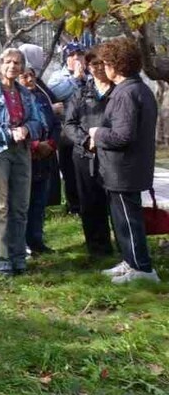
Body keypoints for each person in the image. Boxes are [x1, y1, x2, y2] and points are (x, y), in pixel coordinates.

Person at [89, 38, 160, 285]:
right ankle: (130, 261)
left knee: (127, 220)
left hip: (123, 168)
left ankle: (142, 268)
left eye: (106, 62)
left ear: (115, 64)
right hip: (129, 167)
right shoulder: (139, 88)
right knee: (125, 218)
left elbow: (122, 136)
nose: (103, 67)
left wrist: (96, 133)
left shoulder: (125, 93)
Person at [0, 48, 46, 277]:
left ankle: (18, 258)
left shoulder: (26, 94)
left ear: (22, 67)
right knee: (1, 207)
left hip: (22, 153)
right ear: (0, 65)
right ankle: (1, 259)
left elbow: (38, 122)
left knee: (20, 207)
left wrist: (26, 129)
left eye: (17, 63)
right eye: (8, 62)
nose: (12, 66)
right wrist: (7, 133)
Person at [62, 52, 114, 258]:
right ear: (87, 66)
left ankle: (126, 246)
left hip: (113, 153)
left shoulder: (119, 92)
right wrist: (85, 141)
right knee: (90, 202)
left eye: (102, 63)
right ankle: (98, 248)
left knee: (116, 203)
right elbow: (70, 123)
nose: (98, 67)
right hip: (85, 155)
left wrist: (103, 139)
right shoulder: (82, 93)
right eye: (94, 64)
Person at [19, 62, 60, 256]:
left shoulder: (42, 96)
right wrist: (34, 145)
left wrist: (51, 144)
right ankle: (22, 243)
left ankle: (37, 240)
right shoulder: (15, 99)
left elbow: (55, 123)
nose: (29, 80)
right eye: (24, 76)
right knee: (23, 203)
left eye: (31, 75)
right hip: (25, 155)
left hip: (45, 156)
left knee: (39, 202)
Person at [49, 43, 89, 215]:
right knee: (69, 168)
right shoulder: (58, 76)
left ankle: (91, 203)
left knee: (90, 169)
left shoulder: (92, 75)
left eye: (80, 55)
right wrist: (75, 79)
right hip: (67, 131)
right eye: (73, 55)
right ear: (66, 58)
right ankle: (74, 206)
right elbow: (54, 94)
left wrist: (84, 78)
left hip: (89, 127)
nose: (77, 58)